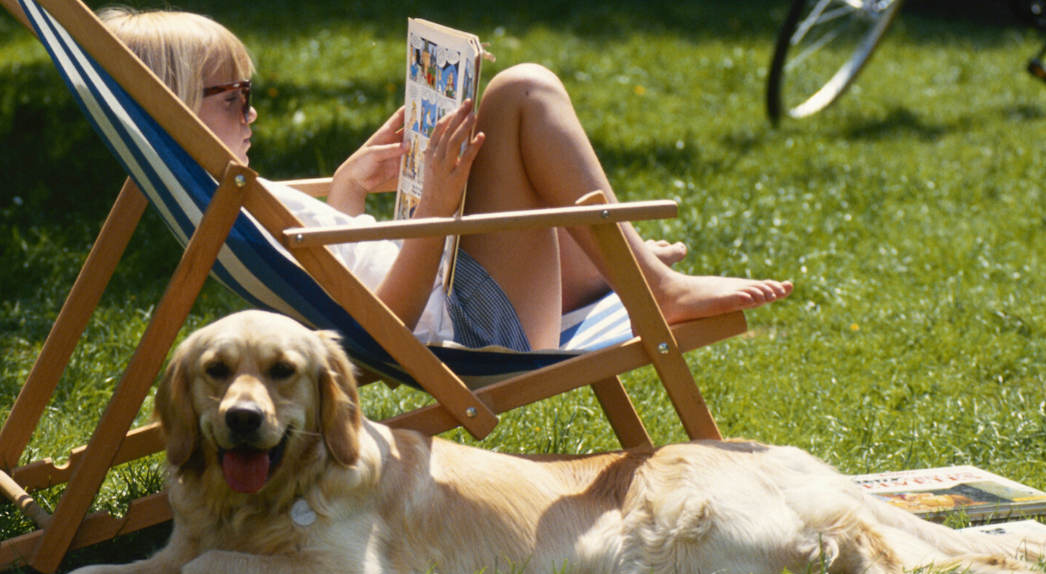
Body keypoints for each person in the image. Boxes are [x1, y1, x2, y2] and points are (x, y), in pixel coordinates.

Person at [100, 7, 792, 352]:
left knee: (506, 137)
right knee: (522, 93)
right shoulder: (244, 204)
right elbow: (382, 324)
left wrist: (347, 188)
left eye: (250, 93)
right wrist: (434, 202)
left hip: (464, 296)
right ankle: (652, 284)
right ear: (173, 104)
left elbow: (339, 279)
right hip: (476, 325)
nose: (251, 111)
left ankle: (612, 265)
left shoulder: (240, 200)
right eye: (233, 96)